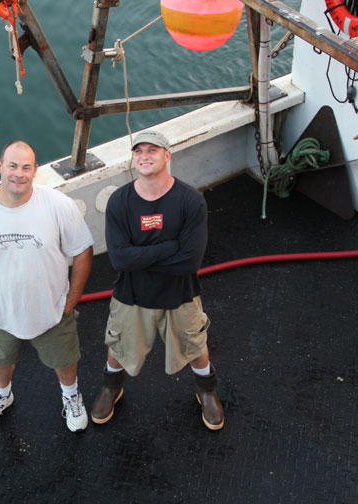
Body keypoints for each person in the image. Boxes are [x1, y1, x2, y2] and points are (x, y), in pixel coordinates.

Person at [0, 140, 94, 432]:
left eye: (26, 167)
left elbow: (83, 250)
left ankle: (71, 394)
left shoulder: (58, 205)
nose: (19, 174)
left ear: (36, 171)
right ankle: (2, 394)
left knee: (64, 358)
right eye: (12, 166)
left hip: (53, 309)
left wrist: (72, 299)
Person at [90, 130, 224, 430]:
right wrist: (170, 247)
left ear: (168, 155)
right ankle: (112, 386)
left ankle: (207, 390)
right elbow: (119, 260)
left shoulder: (191, 201)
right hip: (131, 293)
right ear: (133, 158)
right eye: (139, 151)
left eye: (153, 150)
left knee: (195, 344)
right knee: (118, 345)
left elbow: (190, 261)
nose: (145, 156)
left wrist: (142, 256)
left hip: (181, 293)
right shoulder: (120, 202)